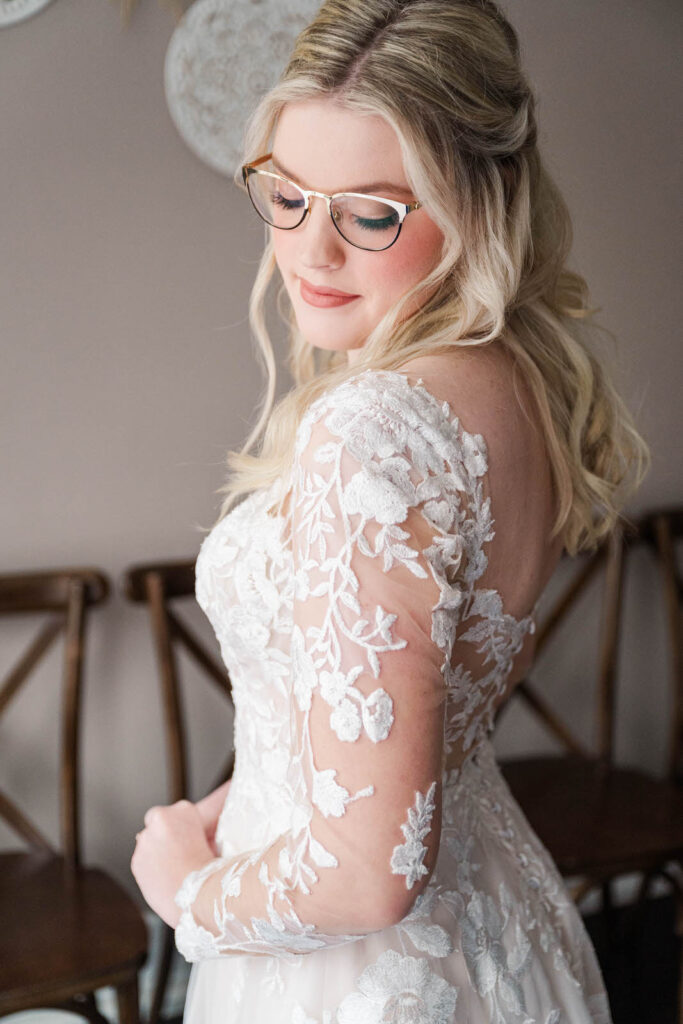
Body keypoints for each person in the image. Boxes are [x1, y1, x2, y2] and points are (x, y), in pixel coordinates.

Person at [131, 1, 649, 1020]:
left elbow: (369, 873)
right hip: (500, 932)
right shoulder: (512, 381)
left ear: (475, 205)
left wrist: (184, 889)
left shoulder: (376, 424)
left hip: (360, 977)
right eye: (286, 196)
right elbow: (392, 717)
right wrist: (259, 794)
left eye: (369, 213)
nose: (311, 252)